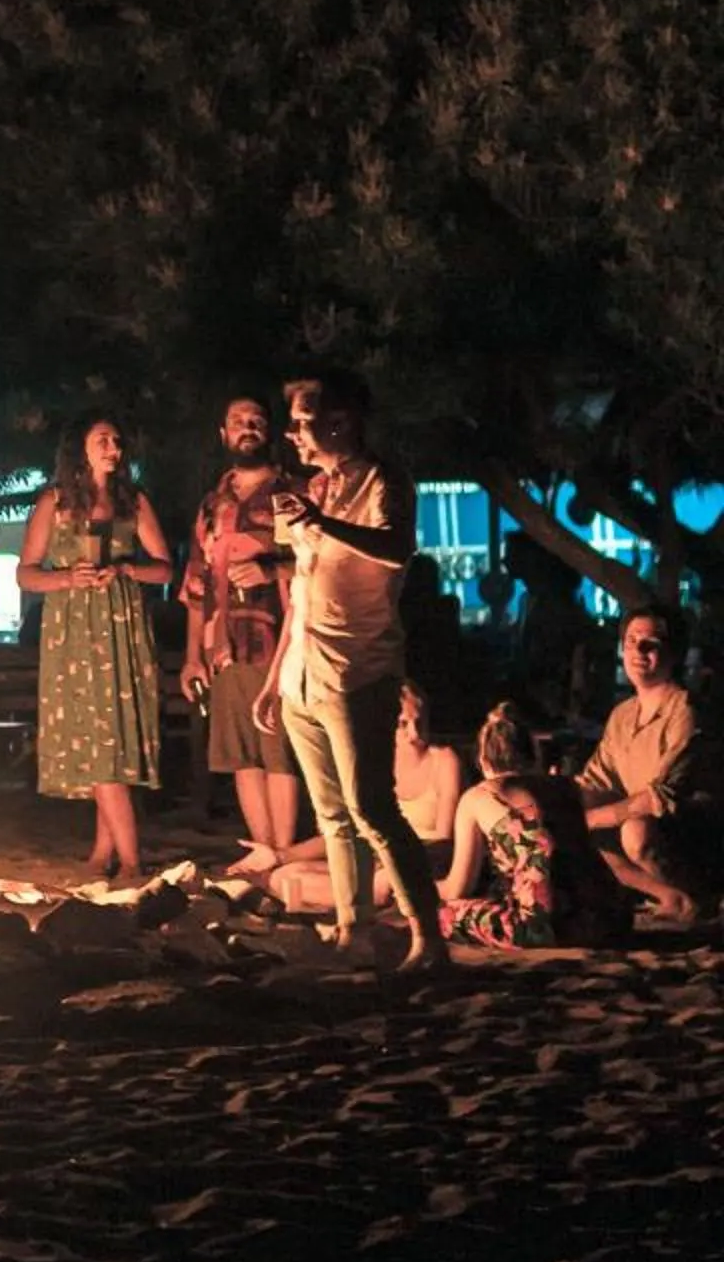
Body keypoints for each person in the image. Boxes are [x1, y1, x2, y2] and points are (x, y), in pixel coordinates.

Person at [254, 369, 449, 973]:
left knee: (372, 808)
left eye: (302, 421)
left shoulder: (383, 480)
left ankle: (428, 937)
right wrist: (274, 678)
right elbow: (303, 587)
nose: (292, 434)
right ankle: (352, 928)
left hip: (357, 669)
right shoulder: (317, 487)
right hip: (303, 675)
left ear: (340, 421)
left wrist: (319, 522)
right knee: (331, 813)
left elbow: (396, 547)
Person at [20, 417, 173, 880]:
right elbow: (26, 573)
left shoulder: (133, 502)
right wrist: (68, 577)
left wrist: (126, 571)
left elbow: (165, 569)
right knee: (94, 739)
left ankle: (124, 859)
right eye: (102, 439)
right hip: (73, 633)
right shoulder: (55, 502)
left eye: (117, 440)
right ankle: (111, 855)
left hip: (121, 628)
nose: (113, 447)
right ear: (80, 448)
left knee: (114, 740)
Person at [180, 396, 300, 863]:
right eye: (237, 422)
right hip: (224, 646)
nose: (247, 428)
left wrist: (272, 569)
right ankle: (264, 855)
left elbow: (320, 561)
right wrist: (193, 656)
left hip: (279, 641)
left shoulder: (291, 494)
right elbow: (196, 584)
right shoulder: (212, 504)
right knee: (242, 754)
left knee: (280, 750)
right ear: (223, 434)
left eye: (256, 421)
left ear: (269, 432)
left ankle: (286, 857)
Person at [436, 700, 628, 949]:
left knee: (441, 914)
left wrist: (421, 887)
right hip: (607, 918)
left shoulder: (478, 797)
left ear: (482, 759)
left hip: (543, 926)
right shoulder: (567, 787)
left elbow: (458, 887)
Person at [264, 683, 463, 916]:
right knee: (283, 876)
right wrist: (279, 856)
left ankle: (341, 907)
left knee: (376, 883)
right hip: (377, 860)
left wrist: (391, 863)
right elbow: (345, 831)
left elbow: (443, 841)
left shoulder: (444, 760)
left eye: (419, 722)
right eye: (403, 724)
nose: (414, 734)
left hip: (420, 862)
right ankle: (339, 906)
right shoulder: (376, 762)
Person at [574, 606, 721, 921]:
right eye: (630, 641)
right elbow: (597, 780)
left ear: (674, 653)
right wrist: (557, 797)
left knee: (635, 831)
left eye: (650, 643)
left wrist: (594, 817)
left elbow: (662, 797)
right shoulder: (623, 714)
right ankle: (670, 898)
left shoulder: (686, 711)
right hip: (643, 823)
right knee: (574, 824)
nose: (638, 651)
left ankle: (700, 894)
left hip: (691, 830)